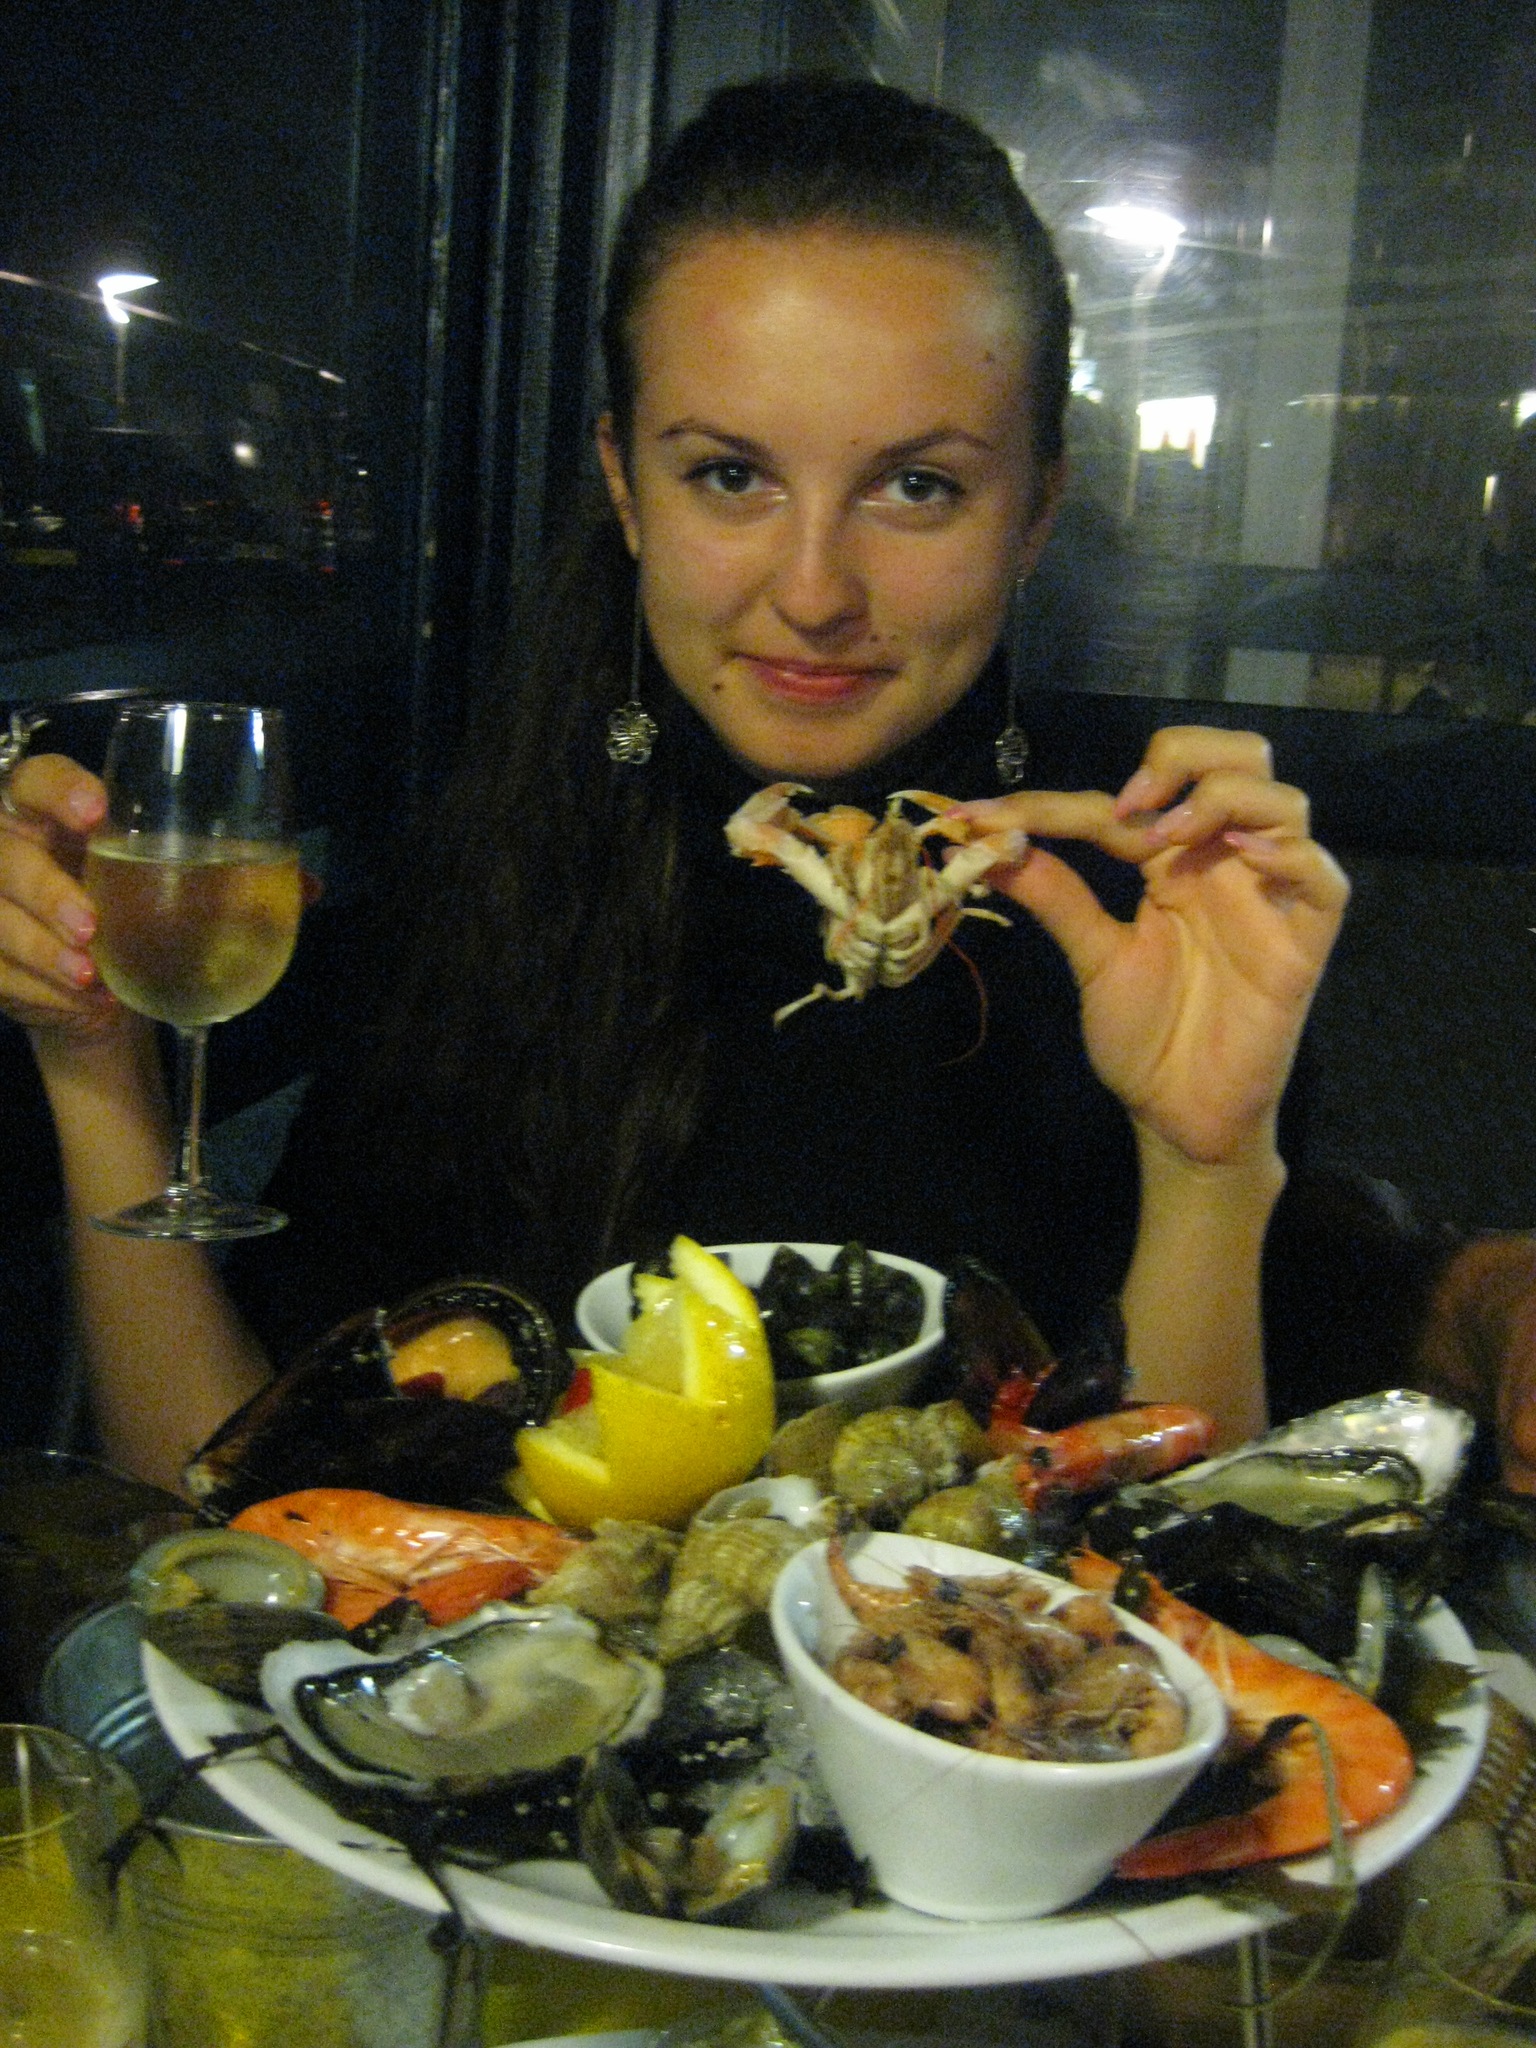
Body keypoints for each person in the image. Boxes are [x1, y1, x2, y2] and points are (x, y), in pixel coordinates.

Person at [0, 76, 1350, 1498]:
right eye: (729, 476)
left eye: (918, 488)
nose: (814, 591)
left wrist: (1211, 1168)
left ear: (1034, 513)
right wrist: (95, 1057)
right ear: (627, 487)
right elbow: (227, 1512)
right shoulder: (487, 884)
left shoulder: (1163, 925)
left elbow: (1189, 1595)